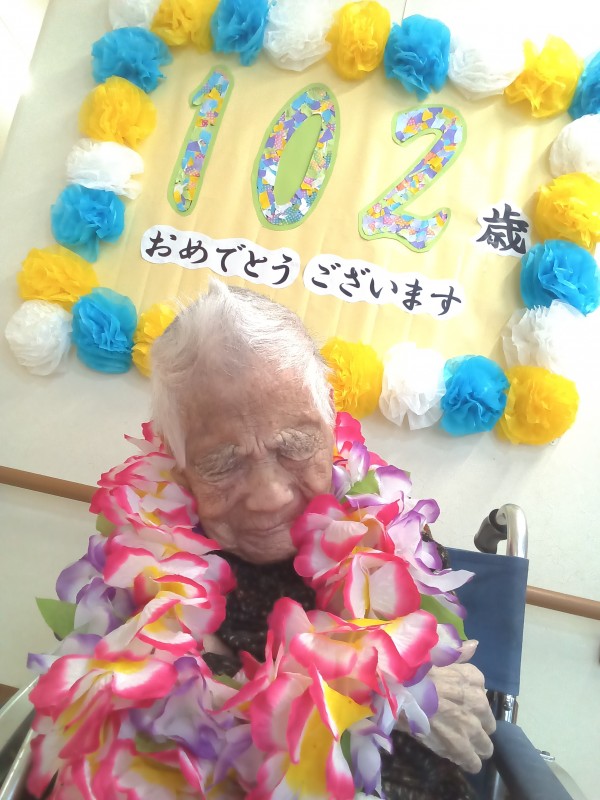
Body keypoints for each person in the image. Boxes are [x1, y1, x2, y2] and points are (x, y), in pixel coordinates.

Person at [149, 281, 496, 798]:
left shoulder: (385, 525)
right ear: (178, 465)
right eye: (222, 463)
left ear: (331, 422)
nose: (268, 496)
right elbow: (168, 715)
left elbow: (452, 682)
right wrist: (380, 692)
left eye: (294, 446)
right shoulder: (152, 572)